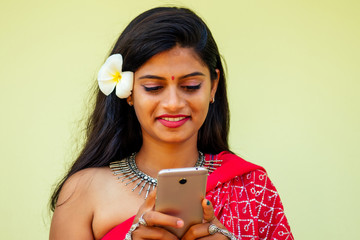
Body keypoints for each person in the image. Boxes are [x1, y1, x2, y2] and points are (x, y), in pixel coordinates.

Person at [49, 7, 293, 240]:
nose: (174, 103)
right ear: (129, 91)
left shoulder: (251, 187)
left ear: (213, 85)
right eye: (154, 88)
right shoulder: (83, 192)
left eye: (190, 86)